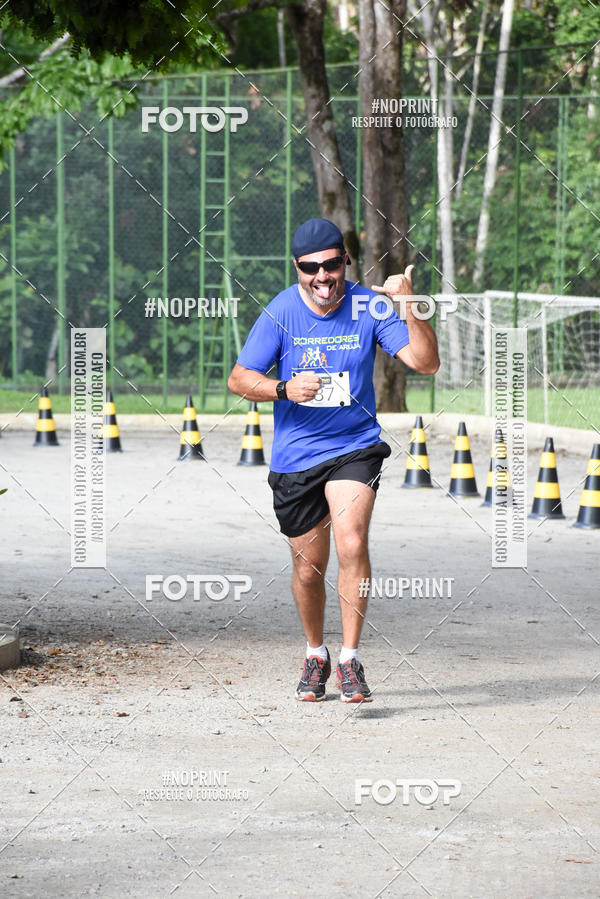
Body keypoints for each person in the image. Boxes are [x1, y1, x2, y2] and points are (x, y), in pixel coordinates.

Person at [228, 218, 439, 703]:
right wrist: (283, 388)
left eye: (331, 264)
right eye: (310, 268)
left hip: (354, 447)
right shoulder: (281, 311)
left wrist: (408, 305)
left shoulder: (370, 305)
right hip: (297, 455)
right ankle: (315, 653)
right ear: (297, 268)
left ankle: (349, 660)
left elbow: (426, 363)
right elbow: (240, 378)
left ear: (345, 260)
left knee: (351, 540)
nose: (322, 277)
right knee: (308, 568)